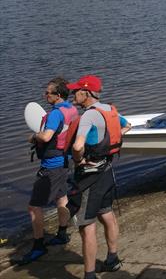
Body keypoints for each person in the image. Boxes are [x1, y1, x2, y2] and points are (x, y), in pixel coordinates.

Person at [66, 74, 131, 279]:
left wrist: (78, 160)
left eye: (76, 91)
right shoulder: (110, 110)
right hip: (107, 172)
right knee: (107, 214)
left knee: (87, 225)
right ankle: (112, 259)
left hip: (90, 177)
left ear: (86, 93)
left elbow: (77, 145)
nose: (73, 94)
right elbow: (127, 125)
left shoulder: (88, 116)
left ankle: (89, 274)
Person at [17, 77, 79, 265]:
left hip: (52, 165)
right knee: (61, 198)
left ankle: (38, 246)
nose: (45, 95)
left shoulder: (55, 114)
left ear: (58, 95)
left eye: (48, 92)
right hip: (65, 161)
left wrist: (33, 136)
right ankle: (62, 234)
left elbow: (46, 136)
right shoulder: (72, 109)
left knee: (34, 207)